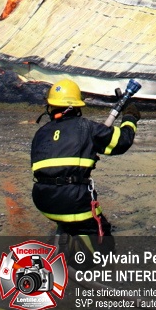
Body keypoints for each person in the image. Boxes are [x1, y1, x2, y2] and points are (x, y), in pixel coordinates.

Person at [31, 78, 140, 243]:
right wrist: (130, 117)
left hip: (42, 201)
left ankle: (66, 238)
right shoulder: (87, 128)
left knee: (69, 222)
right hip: (73, 200)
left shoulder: (41, 133)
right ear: (76, 107)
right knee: (101, 236)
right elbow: (122, 141)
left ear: (51, 107)